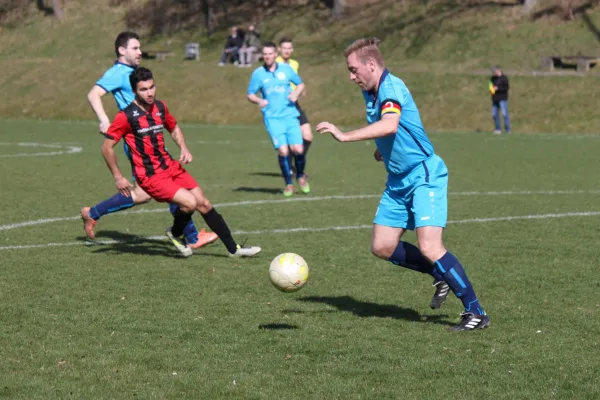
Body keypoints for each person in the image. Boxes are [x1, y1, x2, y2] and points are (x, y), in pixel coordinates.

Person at [316, 38, 490, 331]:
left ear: (371, 64)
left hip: (423, 175)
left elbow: (391, 124)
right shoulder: (370, 91)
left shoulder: (391, 87)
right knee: (382, 246)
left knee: (430, 246)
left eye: (353, 69)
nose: (351, 76)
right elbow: (390, 129)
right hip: (397, 180)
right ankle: (440, 275)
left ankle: (476, 312)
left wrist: (344, 135)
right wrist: (382, 150)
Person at [102, 67, 261, 258]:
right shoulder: (125, 116)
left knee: (204, 203)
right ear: (135, 91)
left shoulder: (160, 107)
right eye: (144, 89)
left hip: (170, 166)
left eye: (152, 87)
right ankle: (176, 234)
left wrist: (183, 148)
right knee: (190, 203)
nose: (150, 92)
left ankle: (234, 249)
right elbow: (106, 147)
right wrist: (118, 177)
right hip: (150, 176)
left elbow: (173, 127)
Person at [81, 31, 218, 253]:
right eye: (135, 48)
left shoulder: (134, 73)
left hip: (148, 133)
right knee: (166, 183)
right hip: (137, 138)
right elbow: (93, 94)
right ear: (121, 50)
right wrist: (104, 120)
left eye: (140, 48)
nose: (140, 52)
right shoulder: (117, 73)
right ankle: (192, 236)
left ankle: (93, 213)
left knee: (143, 194)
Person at [247, 42, 310, 196]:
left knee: (298, 149)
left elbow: (300, 84)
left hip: (290, 115)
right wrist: (259, 101)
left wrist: (296, 94)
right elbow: (250, 94)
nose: (267, 56)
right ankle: (289, 184)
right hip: (272, 118)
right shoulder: (258, 74)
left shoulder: (286, 70)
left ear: (275, 54)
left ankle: (300, 175)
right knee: (283, 151)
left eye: (270, 53)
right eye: (265, 54)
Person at [276, 37, 314, 177]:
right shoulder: (275, 63)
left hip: (294, 104)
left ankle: (295, 164)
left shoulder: (294, 63)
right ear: (279, 49)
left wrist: (300, 89)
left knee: (308, 137)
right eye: (284, 48)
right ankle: (291, 167)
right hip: (281, 106)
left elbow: (295, 80)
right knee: (288, 140)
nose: (287, 50)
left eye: (289, 48)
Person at [489, 66, 510, 134]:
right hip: (495, 99)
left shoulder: (504, 78)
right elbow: (490, 86)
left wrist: (498, 88)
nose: (493, 73)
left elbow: (506, 88)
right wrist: (492, 90)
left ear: (498, 70)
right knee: (494, 114)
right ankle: (498, 129)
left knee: (504, 114)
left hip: (502, 98)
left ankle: (507, 130)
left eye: (494, 71)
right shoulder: (492, 79)